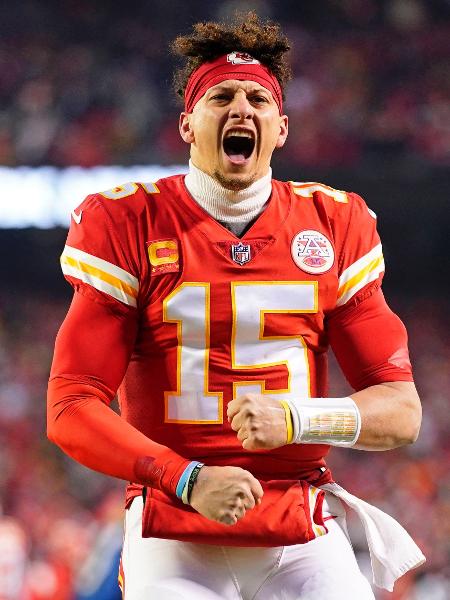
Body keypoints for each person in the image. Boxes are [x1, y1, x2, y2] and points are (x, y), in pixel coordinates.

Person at [47, 13, 425, 600]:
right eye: (220, 95)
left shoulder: (334, 223)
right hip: (173, 527)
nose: (241, 107)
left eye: (258, 98)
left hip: (298, 524)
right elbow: (70, 405)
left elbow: (401, 412)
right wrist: (187, 477)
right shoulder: (126, 221)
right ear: (187, 125)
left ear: (281, 129)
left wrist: (298, 418)